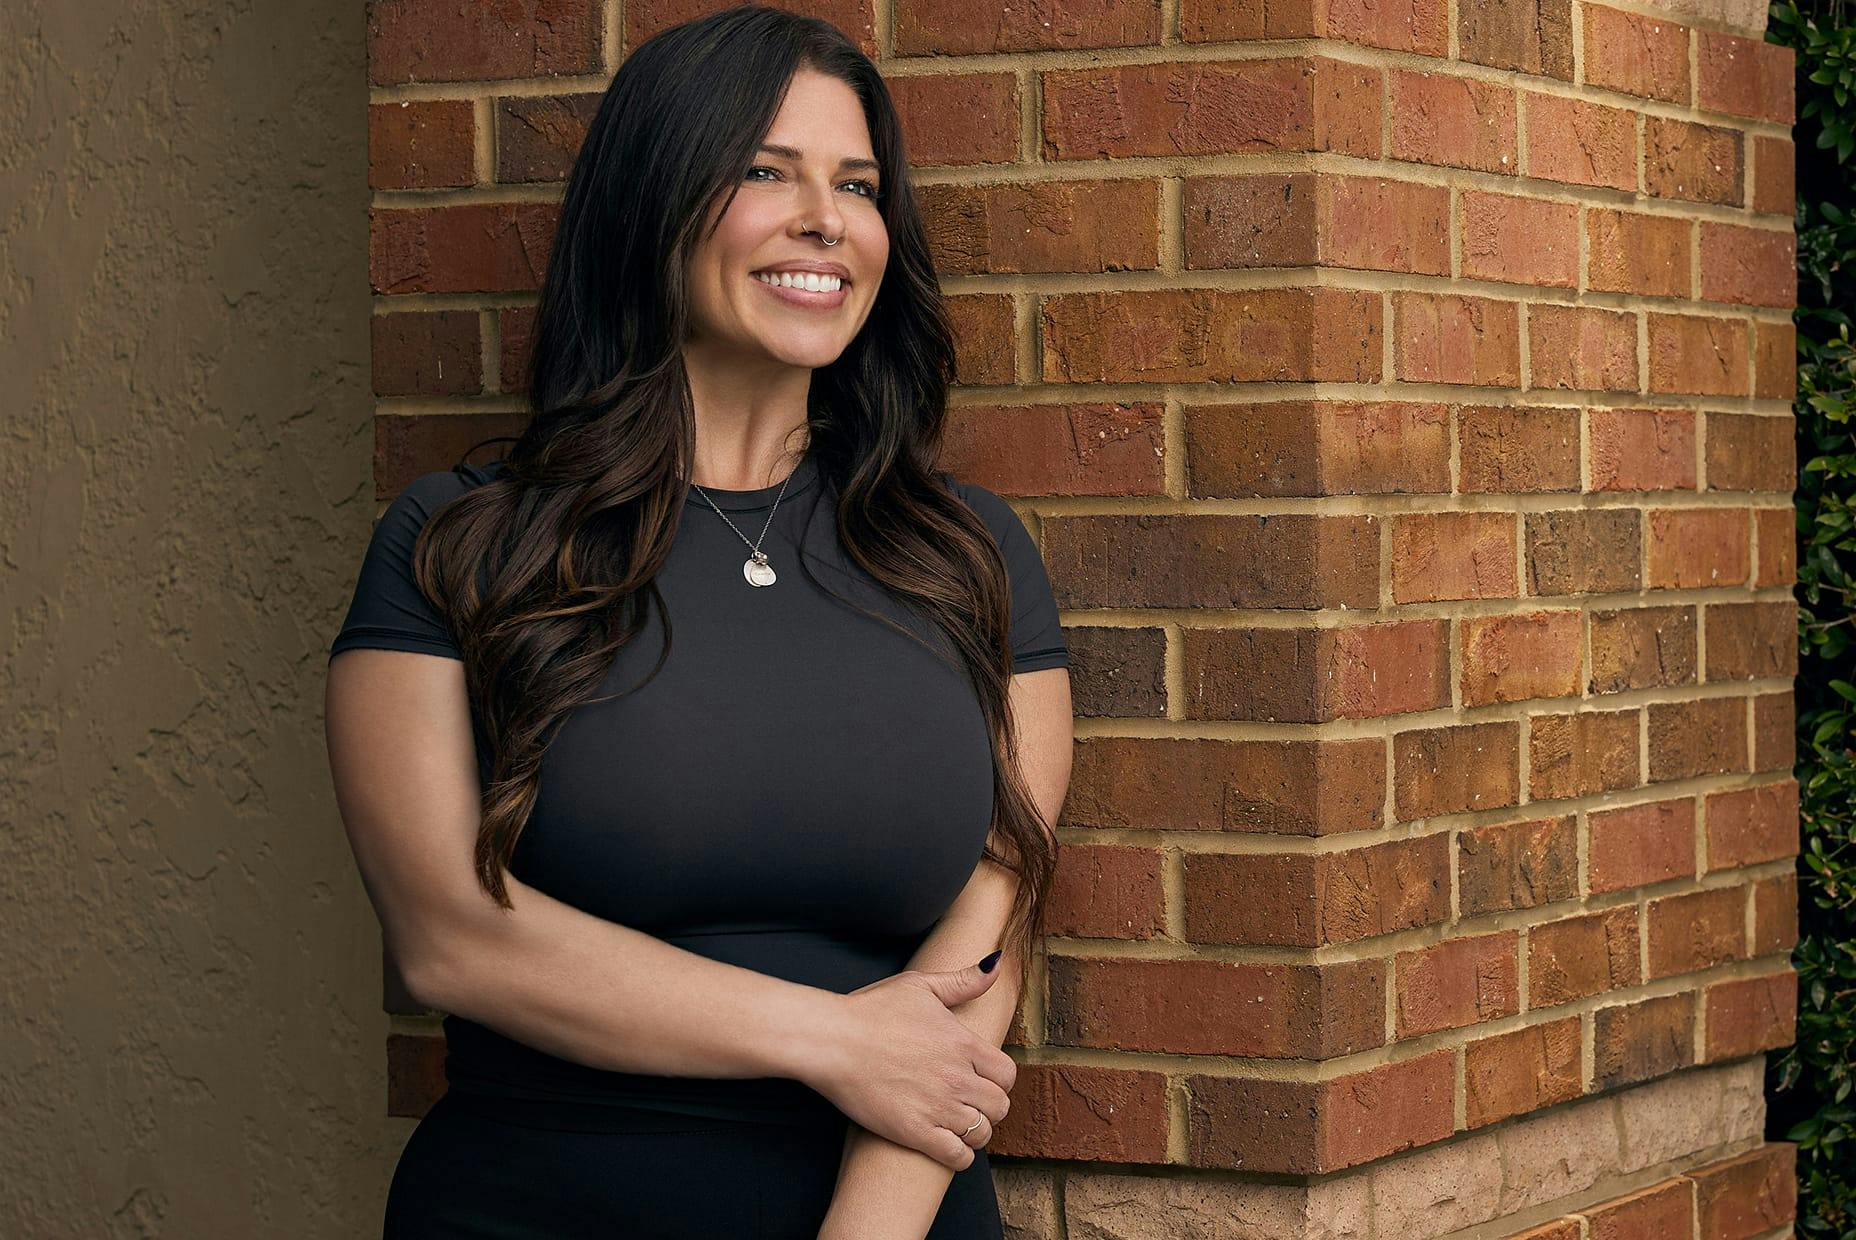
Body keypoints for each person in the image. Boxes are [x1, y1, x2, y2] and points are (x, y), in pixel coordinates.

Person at [323, 6, 1074, 1237]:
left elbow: (991, 930)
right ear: (654, 204)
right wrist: (831, 1037)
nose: (825, 218)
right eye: (762, 171)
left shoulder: (967, 556)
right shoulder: (459, 544)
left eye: (857, 183)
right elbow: (448, 939)